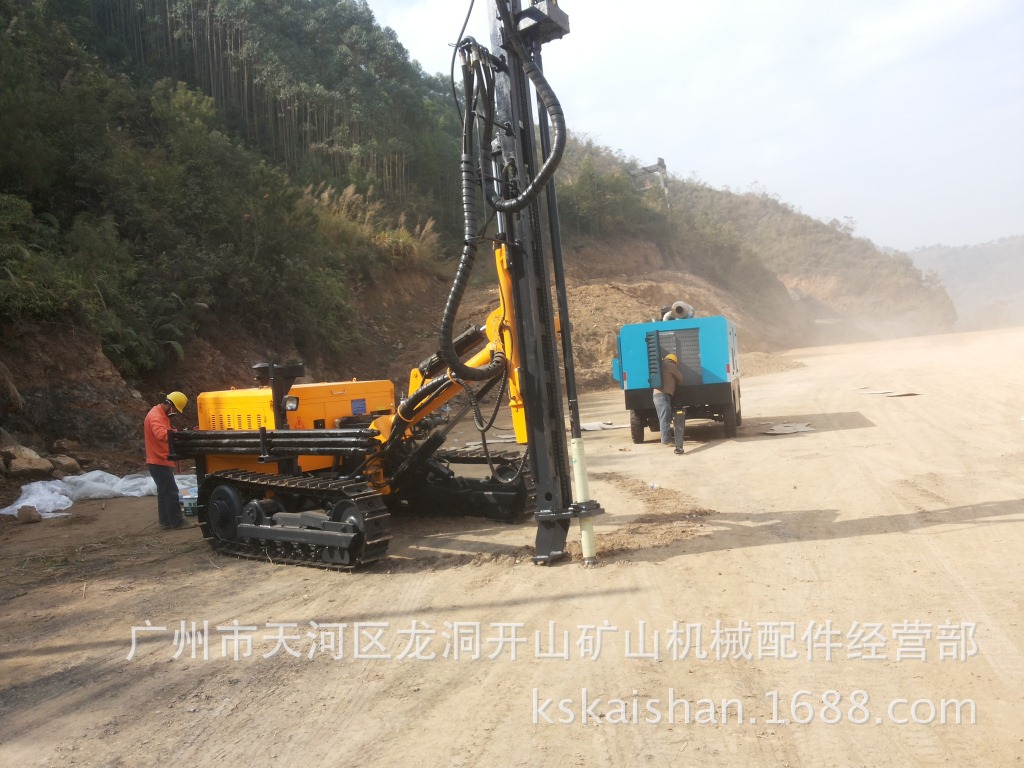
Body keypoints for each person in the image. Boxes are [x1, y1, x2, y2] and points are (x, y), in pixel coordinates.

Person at [144, 391, 195, 530]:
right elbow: (161, 434)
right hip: (159, 460)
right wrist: (178, 435)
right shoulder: (155, 416)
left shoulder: (160, 414)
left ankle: (165, 522)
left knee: (164, 492)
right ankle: (177, 522)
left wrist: (180, 432)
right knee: (171, 491)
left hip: (159, 460)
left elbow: (169, 430)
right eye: (176, 410)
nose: (175, 414)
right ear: (170, 406)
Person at [653, 353, 685, 446]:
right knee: (665, 419)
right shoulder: (671, 365)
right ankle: (666, 441)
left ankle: (665, 439)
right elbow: (681, 378)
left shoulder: (660, 364)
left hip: (656, 395)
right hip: (663, 396)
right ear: (674, 361)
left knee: (662, 418)